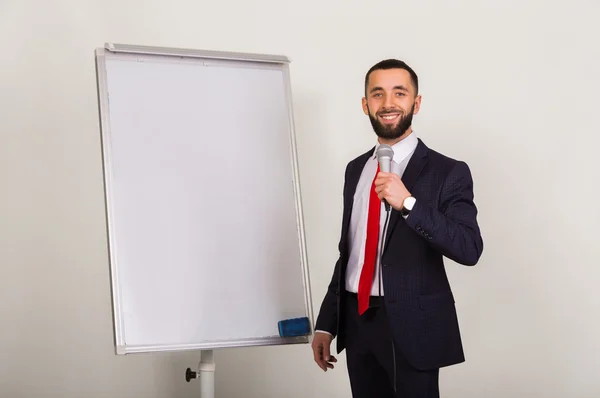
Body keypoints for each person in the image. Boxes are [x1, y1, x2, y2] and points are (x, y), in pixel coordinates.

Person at [311, 59, 484, 398]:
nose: (388, 103)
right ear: (365, 105)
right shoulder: (355, 170)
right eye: (377, 94)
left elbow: (468, 248)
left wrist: (409, 204)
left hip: (411, 323)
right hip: (356, 319)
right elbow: (350, 253)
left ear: (416, 103)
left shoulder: (448, 172)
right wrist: (326, 324)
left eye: (399, 93)